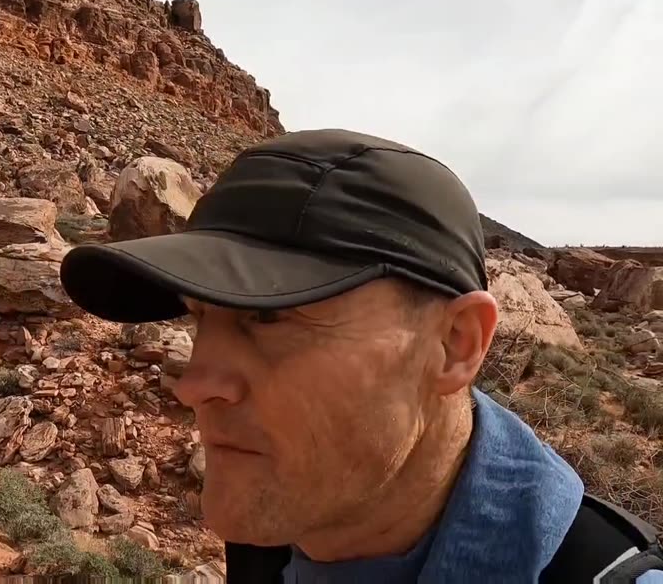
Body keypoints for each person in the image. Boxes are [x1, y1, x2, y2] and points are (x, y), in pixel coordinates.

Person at [59, 129, 663, 583]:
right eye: (199, 316)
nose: (195, 385)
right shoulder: (280, 526)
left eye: (269, 316)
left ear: (456, 345)